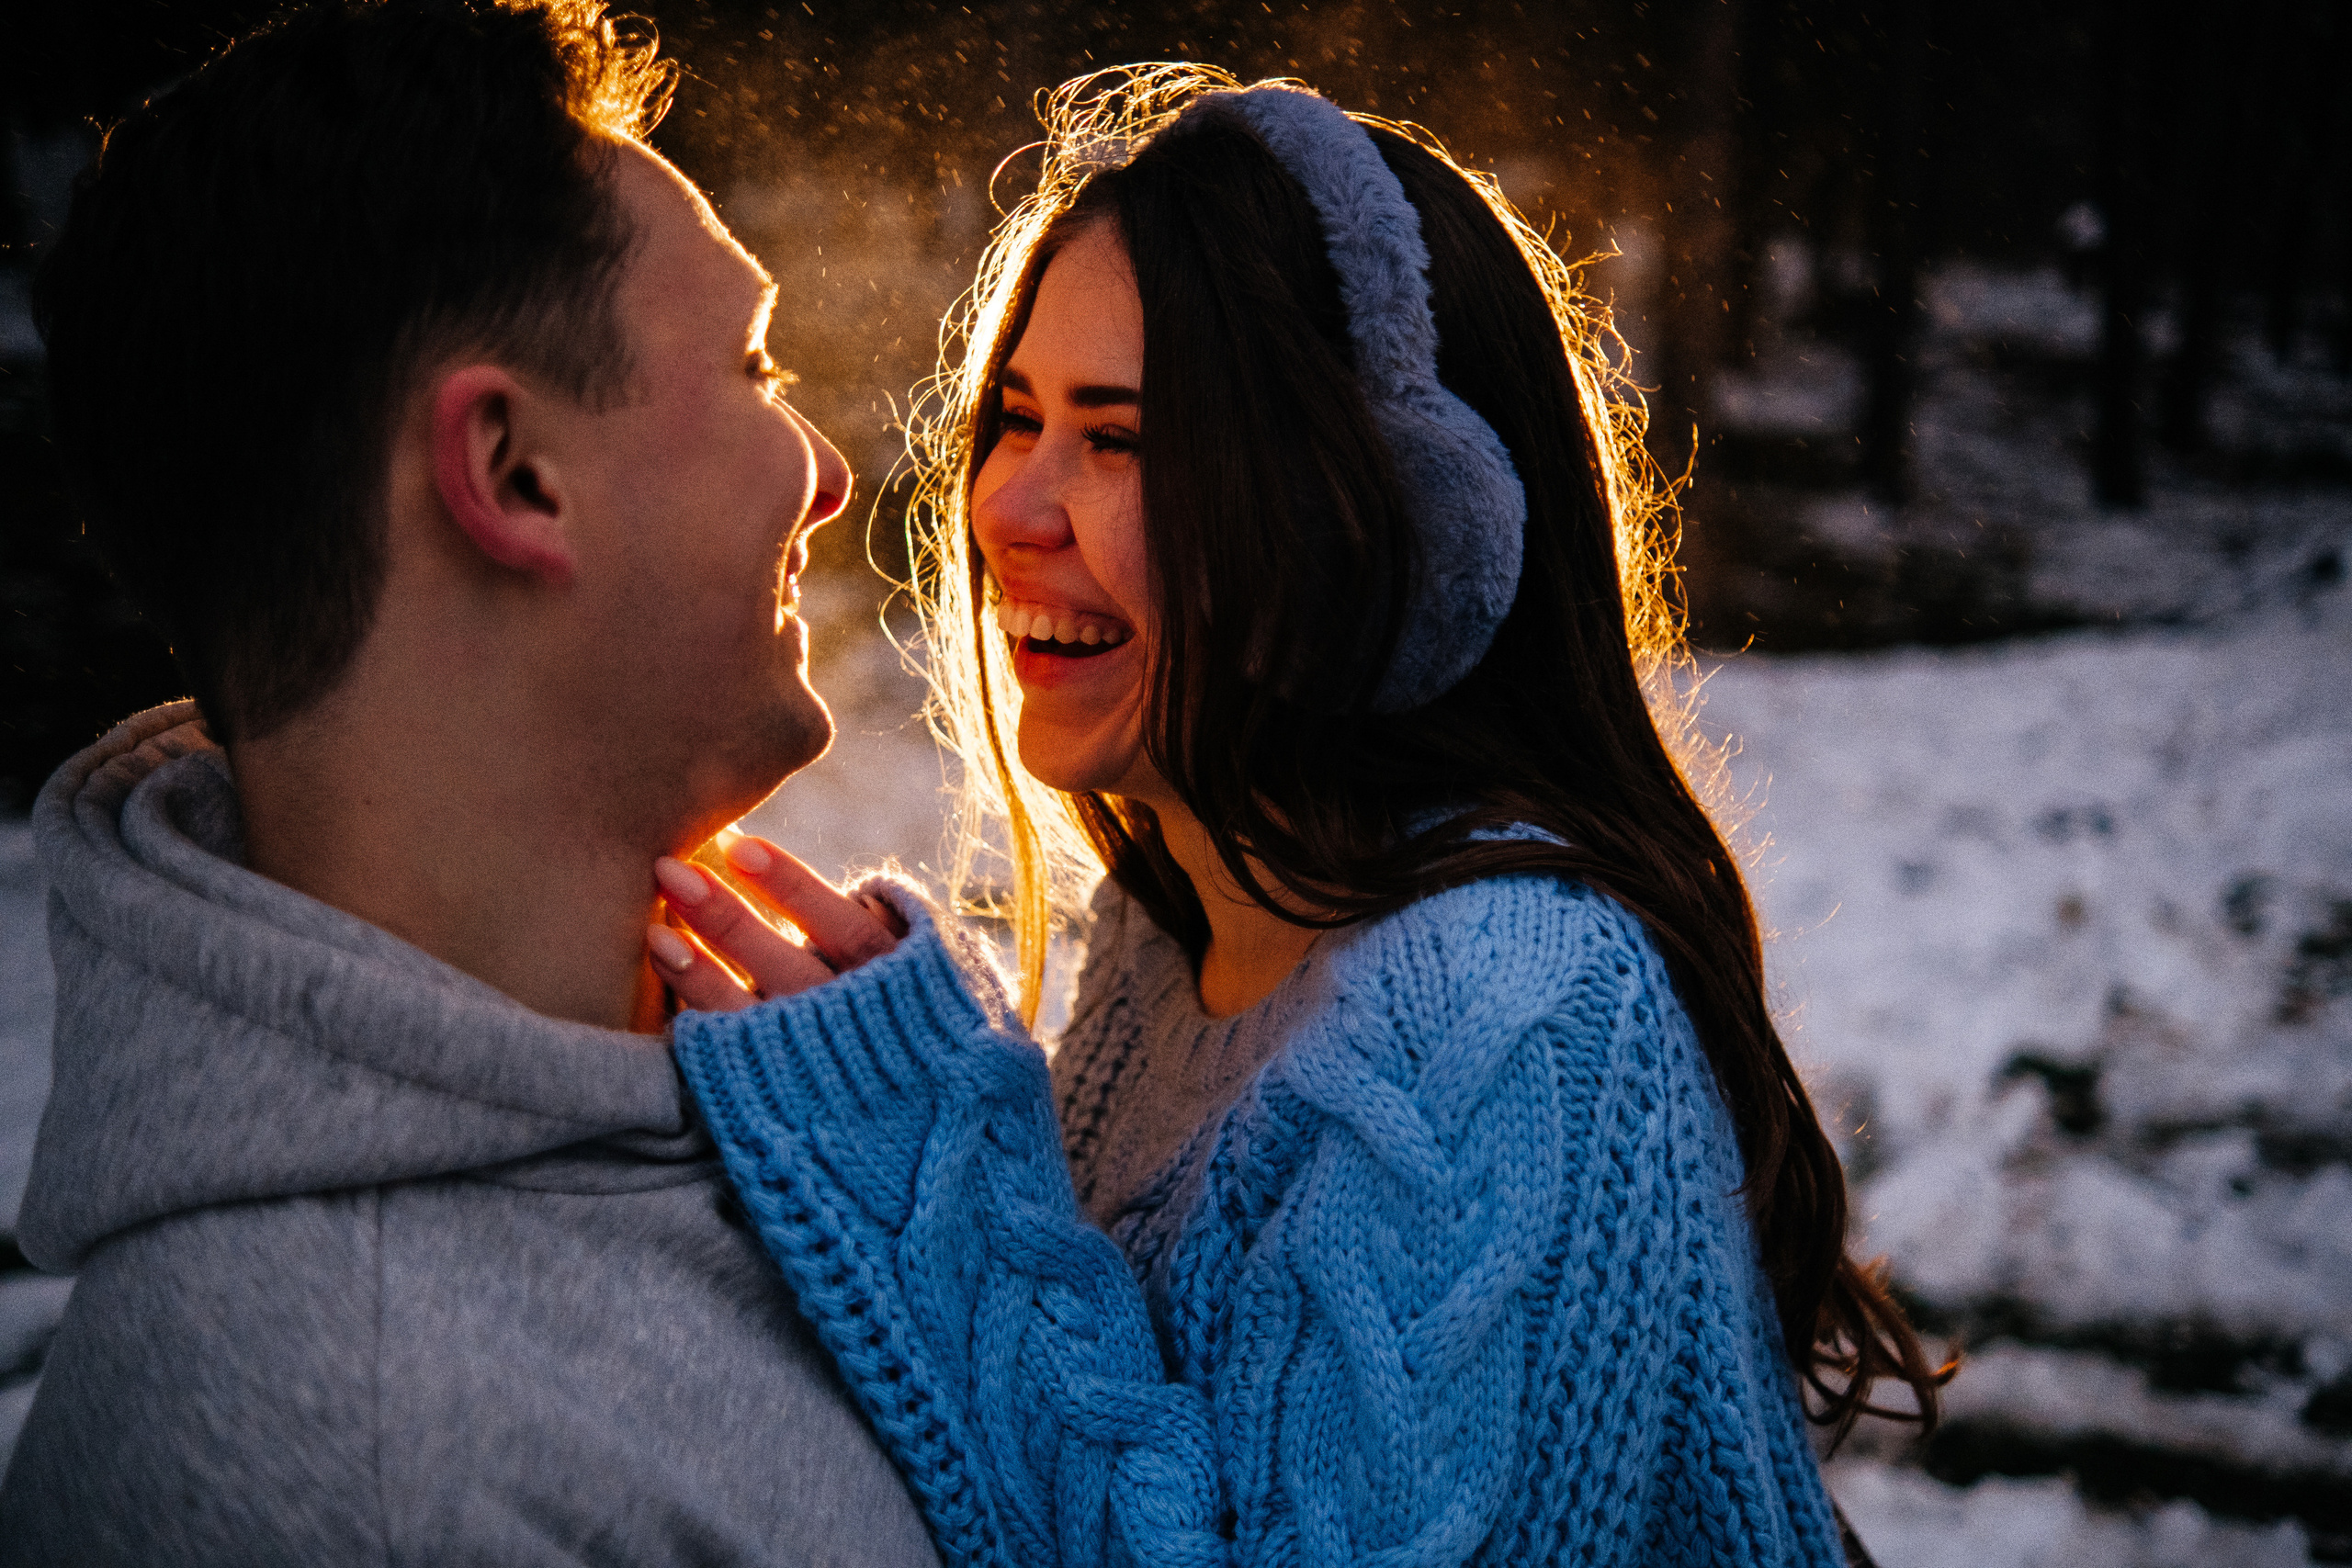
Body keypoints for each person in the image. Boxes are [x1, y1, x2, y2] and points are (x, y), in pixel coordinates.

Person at [647, 66, 1943, 1568]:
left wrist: (930, 1172)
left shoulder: (1507, 1004)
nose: (1012, 506)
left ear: (1373, 516)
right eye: (1016, 418)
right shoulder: (1181, 937)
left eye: (1121, 440)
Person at [2, 3, 940, 1562]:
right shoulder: (349, 1469)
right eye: (756, 367)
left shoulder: (794, 1137)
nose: (828, 473)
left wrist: (951, 1246)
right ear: (511, 475)